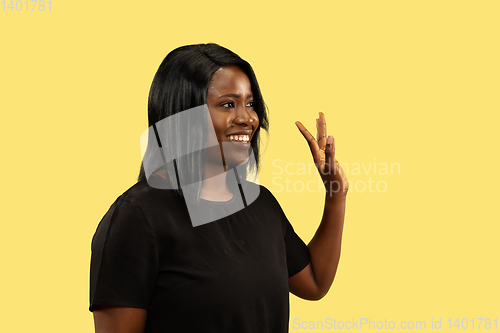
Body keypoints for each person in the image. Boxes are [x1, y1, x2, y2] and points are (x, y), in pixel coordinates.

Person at [89, 43, 349, 333]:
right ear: (184, 114)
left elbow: (314, 283)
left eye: (250, 103)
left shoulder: (260, 204)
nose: (247, 118)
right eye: (228, 104)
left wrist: (335, 195)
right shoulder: (137, 218)